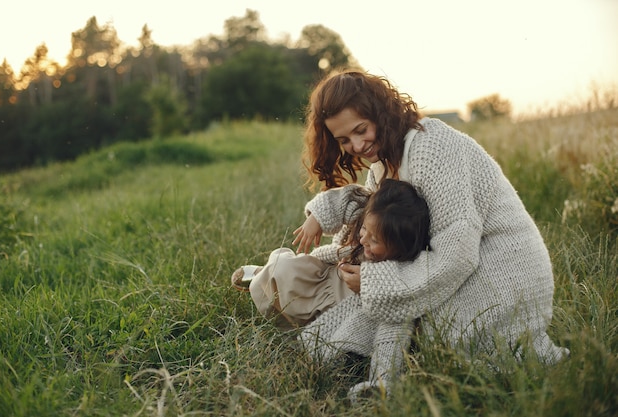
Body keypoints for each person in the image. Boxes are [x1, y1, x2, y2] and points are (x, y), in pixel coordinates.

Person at [291, 69, 569, 397]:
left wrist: (374, 282)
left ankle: (383, 380)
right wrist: (328, 223)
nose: (356, 145)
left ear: (379, 111)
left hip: (502, 274)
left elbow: (458, 253)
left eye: (361, 130)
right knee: (374, 298)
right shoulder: (381, 165)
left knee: (393, 310)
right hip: (463, 267)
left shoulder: (430, 145)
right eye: (344, 141)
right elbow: (368, 222)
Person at [231, 179, 431, 333]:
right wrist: (316, 219)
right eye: (363, 229)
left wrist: (370, 284)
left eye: (375, 241)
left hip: (343, 303)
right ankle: (261, 276)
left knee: (321, 327)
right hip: (325, 275)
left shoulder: (402, 266)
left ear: (399, 247)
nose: (363, 241)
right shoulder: (368, 210)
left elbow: (403, 292)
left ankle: (273, 291)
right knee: (285, 272)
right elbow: (344, 199)